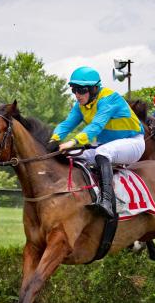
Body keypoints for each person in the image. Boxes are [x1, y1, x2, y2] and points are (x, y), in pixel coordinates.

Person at [50, 66, 144, 218]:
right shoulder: (80, 105)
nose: (77, 95)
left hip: (132, 142)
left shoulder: (109, 99)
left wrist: (73, 141)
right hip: (105, 145)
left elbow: (96, 126)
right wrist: (53, 140)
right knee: (70, 156)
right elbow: (67, 124)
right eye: (74, 90)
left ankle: (107, 201)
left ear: (94, 89)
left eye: (81, 90)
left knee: (101, 152)